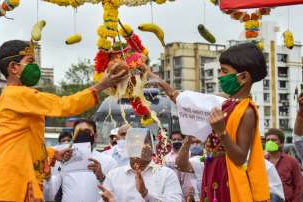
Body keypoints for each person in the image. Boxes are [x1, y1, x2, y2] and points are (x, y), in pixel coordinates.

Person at [0, 40, 128, 202]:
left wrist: (53, 154)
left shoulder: (16, 96)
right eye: (30, 62)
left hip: (14, 178)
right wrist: (99, 87)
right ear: (13, 68)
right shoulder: (17, 94)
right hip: (11, 182)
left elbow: (28, 141)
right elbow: (63, 106)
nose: (35, 66)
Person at [150, 43, 270, 201]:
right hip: (212, 169)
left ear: (243, 77)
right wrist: (161, 83)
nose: (219, 75)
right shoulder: (224, 102)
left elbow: (240, 158)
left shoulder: (247, 111)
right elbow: (186, 101)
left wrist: (221, 132)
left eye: (225, 71)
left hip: (227, 178)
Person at [98, 129, 183, 202]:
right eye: (134, 142)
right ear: (127, 147)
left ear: (152, 147)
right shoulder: (113, 176)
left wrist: (145, 194)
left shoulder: (167, 174)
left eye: (144, 141)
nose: (139, 146)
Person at [45, 119, 117, 202]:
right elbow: (49, 195)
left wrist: (101, 177)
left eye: (87, 131)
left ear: (95, 136)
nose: (82, 134)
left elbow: (115, 193)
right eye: (78, 132)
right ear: (73, 135)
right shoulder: (63, 159)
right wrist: (55, 168)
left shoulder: (109, 161)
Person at [265, 128, 303, 202]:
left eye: (273, 140)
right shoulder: (262, 162)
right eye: (267, 140)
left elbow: (299, 186)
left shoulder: (291, 162)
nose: (269, 142)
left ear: (281, 143)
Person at [164, 131, 194, 202]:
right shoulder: (166, 159)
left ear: (183, 140)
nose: (176, 141)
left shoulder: (190, 155)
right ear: (170, 141)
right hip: (173, 194)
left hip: (189, 194)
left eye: (178, 139)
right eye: (174, 140)